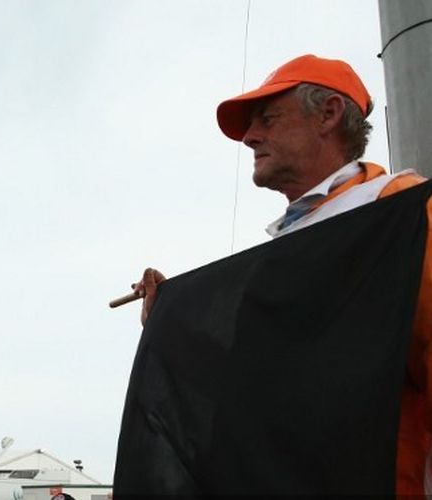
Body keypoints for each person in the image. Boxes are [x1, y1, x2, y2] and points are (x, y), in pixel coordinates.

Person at [131, 54, 432, 496]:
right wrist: (174, 322)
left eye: (268, 119)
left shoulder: (398, 212)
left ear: (328, 114)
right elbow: (262, 389)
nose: (250, 137)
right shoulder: (298, 243)